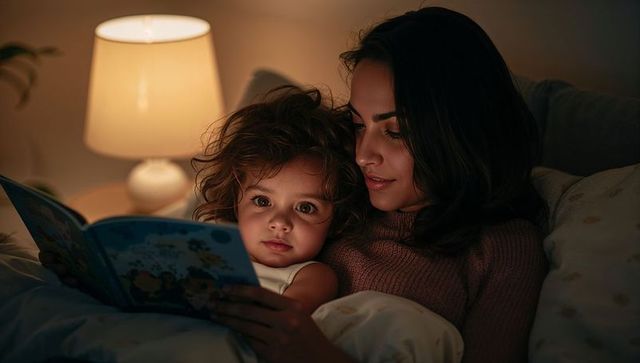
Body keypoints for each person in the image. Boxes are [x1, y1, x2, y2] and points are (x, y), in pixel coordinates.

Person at [211, 6, 548, 363]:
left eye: (395, 131)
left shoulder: (503, 248)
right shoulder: (332, 191)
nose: (363, 155)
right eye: (358, 125)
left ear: (459, 132)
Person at [191, 85, 367, 314]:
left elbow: (281, 322)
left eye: (306, 207)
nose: (280, 222)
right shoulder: (208, 240)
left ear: (335, 219)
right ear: (236, 201)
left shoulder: (313, 276)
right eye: (262, 201)